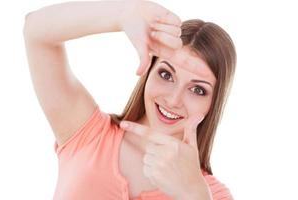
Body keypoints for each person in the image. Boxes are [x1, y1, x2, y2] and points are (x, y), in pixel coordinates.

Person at [24, 0, 236, 199]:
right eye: (166, 75)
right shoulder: (88, 134)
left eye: (197, 90)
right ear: (149, 71)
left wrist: (193, 194)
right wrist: (123, 12)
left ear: (212, 103)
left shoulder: (212, 194)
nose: (173, 100)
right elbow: (36, 32)